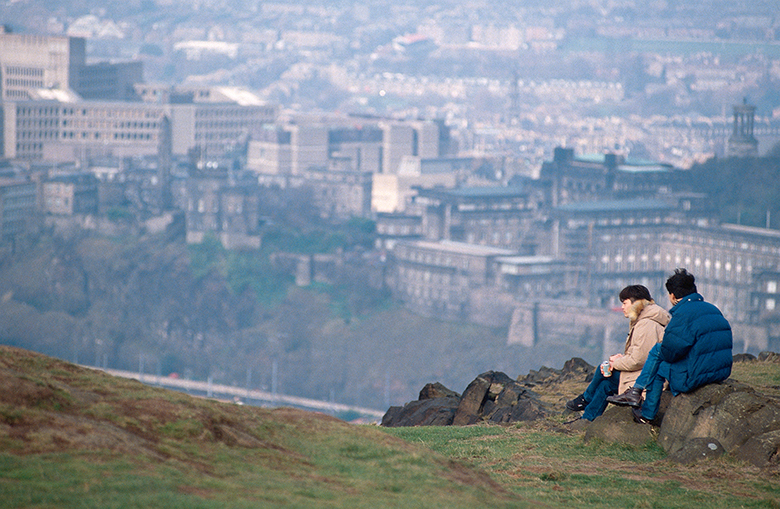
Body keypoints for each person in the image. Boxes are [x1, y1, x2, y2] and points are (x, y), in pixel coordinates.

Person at [606, 268, 733, 424]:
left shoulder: (683, 314)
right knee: (658, 352)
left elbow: (671, 352)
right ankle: (636, 391)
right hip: (720, 371)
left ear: (672, 295)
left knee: (658, 359)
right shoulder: (713, 309)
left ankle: (646, 413)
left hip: (697, 374)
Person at [565, 285, 669, 422]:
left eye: (625, 303)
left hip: (646, 381)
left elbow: (639, 360)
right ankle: (587, 419)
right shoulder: (644, 321)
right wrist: (621, 358)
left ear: (636, 303)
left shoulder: (646, 325)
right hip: (641, 375)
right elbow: (640, 353)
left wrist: (616, 363)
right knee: (605, 385)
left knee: (603, 370)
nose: (622, 308)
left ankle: (586, 399)